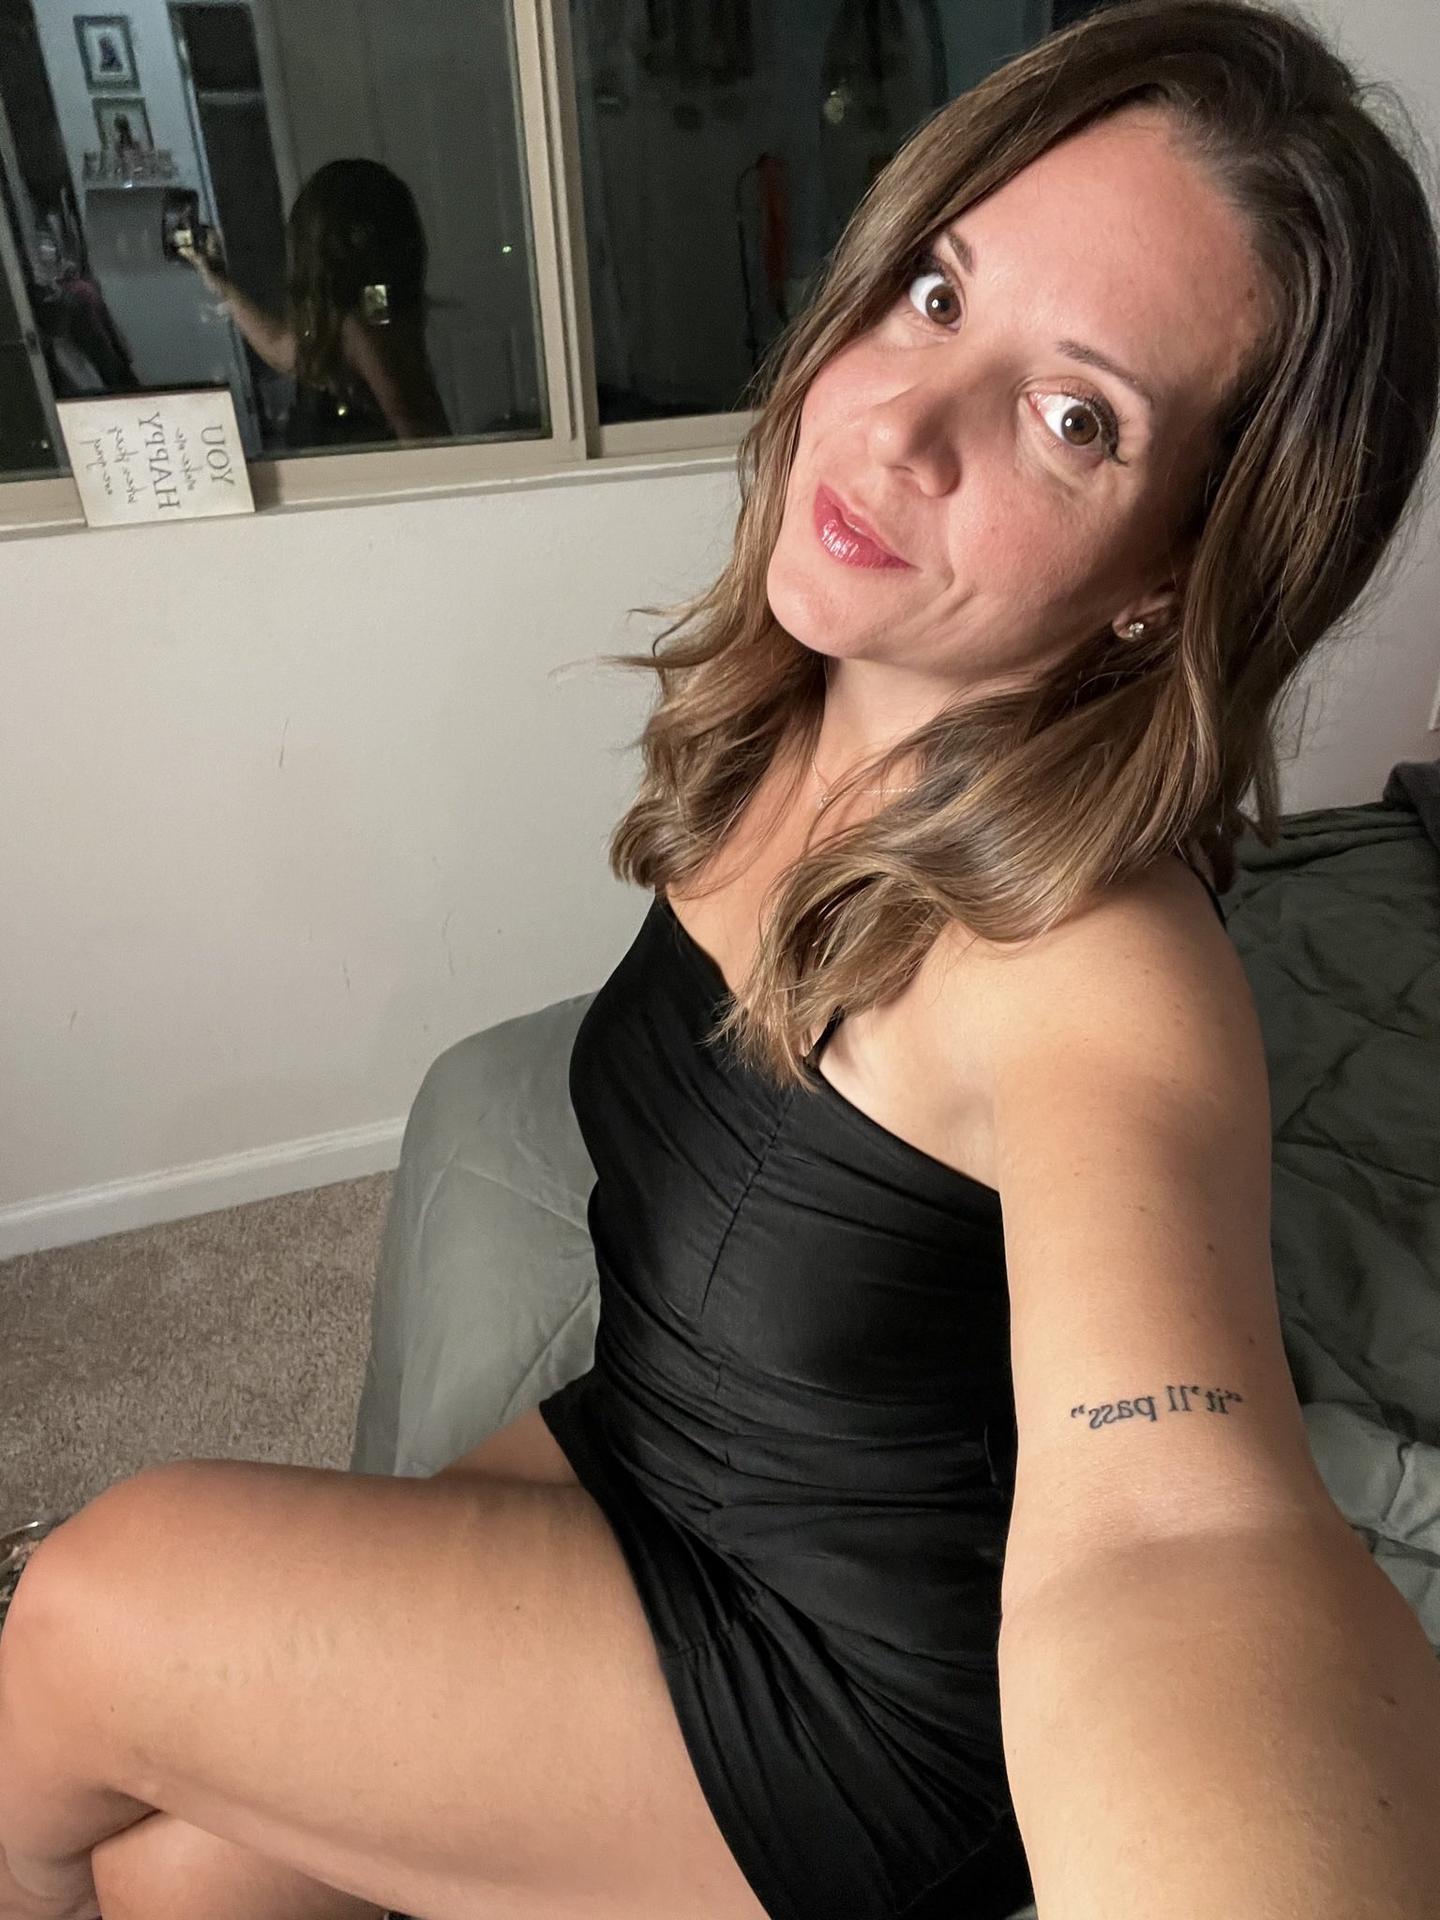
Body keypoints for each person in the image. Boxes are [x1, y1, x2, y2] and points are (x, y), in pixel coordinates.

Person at [3, 4, 1439, 1918]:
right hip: (661, 1453)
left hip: (854, 1696)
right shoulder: (808, 706)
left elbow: (1178, 1531)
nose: (897, 424)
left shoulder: (1094, 964)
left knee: (99, 1600)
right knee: (184, 1879)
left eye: (1074, 415)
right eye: (936, 293)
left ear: (1177, 569)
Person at [179, 157, 450, 450]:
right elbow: (281, 349)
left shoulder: (365, 324)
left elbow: (420, 435)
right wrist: (223, 286)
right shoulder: (359, 314)